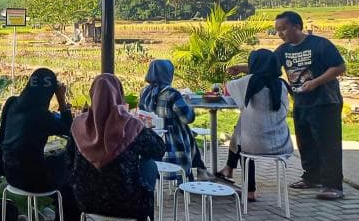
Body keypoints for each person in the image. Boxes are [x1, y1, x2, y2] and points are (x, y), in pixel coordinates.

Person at [228, 11, 346, 200]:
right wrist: (240, 68)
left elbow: (339, 67)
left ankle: (333, 186)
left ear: (296, 26)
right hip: (300, 101)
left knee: (327, 144)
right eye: (277, 30)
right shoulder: (284, 50)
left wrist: (315, 82)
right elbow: (266, 65)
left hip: (325, 102)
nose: (280, 34)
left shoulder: (320, 44)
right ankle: (311, 178)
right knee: (305, 142)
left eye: (283, 29)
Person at [71, 74, 166, 221]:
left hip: (84, 200)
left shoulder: (79, 125)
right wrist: (143, 127)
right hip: (128, 203)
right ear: (119, 96)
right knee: (148, 165)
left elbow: (67, 158)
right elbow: (158, 149)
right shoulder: (131, 126)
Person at [0, 68, 83, 221]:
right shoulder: (41, 115)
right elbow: (68, 129)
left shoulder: (12, 103)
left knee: (60, 163)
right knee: (72, 175)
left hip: (11, 174)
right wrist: (62, 100)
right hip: (32, 179)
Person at [218, 49, 294, 201]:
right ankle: (228, 169)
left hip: (256, 145)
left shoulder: (248, 82)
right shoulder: (282, 85)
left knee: (243, 139)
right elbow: (265, 70)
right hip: (282, 144)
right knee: (241, 126)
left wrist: (241, 71)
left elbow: (228, 89)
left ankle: (249, 190)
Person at [138, 59, 211, 181]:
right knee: (187, 131)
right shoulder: (172, 94)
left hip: (153, 137)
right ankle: (193, 174)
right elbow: (188, 118)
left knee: (188, 132)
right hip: (173, 143)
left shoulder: (144, 91)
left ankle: (200, 170)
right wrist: (187, 102)